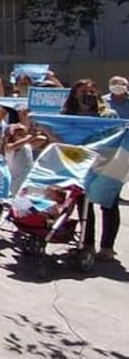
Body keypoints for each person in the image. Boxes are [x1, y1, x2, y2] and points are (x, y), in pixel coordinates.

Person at [61, 79, 121, 261]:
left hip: (107, 164)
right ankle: (87, 243)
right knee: (84, 205)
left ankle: (107, 247)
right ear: (74, 94)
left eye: (91, 92)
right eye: (82, 92)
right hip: (80, 164)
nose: (87, 95)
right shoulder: (67, 116)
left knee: (109, 205)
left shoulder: (109, 114)